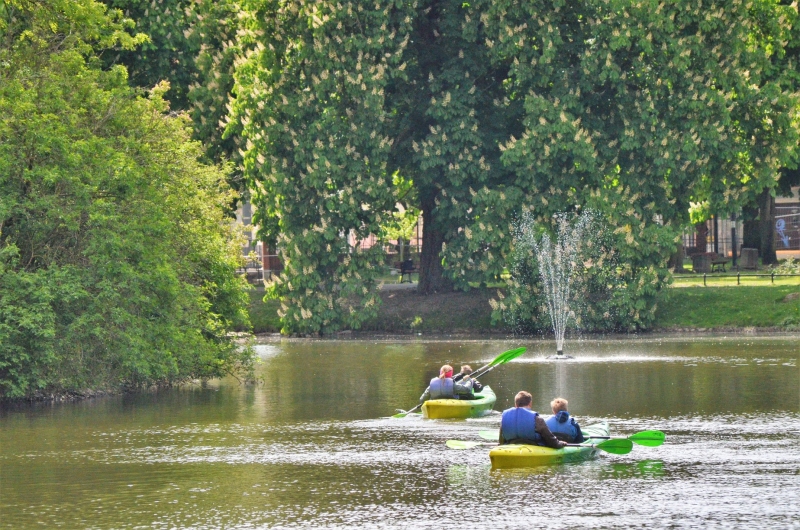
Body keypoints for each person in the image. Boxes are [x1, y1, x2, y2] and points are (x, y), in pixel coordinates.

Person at [498, 391, 567, 449]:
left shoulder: (504, 417)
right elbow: (551, 441)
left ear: (515, 404)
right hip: (533, 448)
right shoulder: (537, 419)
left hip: (510, 448)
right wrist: (560, 443)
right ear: (530, 403)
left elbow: (501, 441)